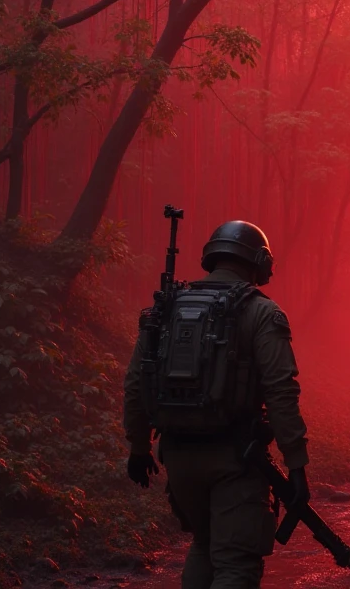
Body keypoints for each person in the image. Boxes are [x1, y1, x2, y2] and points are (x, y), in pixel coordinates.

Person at [124, 220, 310, 588]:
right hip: (235, 459)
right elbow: (280, 391)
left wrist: (139, 446)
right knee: (236, 562)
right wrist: (297, 465)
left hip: (177, 456)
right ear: (258, 259)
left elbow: (135, 382)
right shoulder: (261, 312)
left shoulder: (166, 308)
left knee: (205, 544)